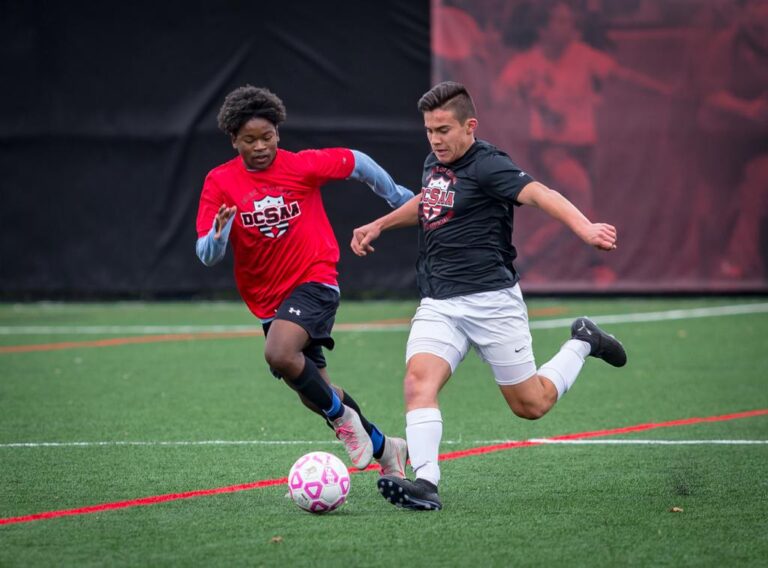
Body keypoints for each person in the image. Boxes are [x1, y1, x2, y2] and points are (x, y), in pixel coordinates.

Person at [351, 81, 627, 510]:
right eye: (429, 130)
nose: (435, 139)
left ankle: (583, 341)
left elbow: (541, 194)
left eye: (443, 129)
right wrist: (380, 225)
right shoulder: (434, 163)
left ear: (470, 126)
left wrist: (585, 227)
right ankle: (426, 483)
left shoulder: (490, 164)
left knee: (531, 405)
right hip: (439, 301)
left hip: (492, 302)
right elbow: (429, 201)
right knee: (417, 382)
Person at [195, 85, 413, 476]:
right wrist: (219, 234)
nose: (260, 146)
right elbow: (206, 255)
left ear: (278, 133)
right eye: (249, 140)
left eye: (267, 137)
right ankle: (386, 448)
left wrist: (396, 196)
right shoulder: (219, 183)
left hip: (315, 280)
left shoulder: (300, 166)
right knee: (314, 393)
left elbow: (357, 162)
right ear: (233, 140)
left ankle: (344, 422)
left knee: (279, 354)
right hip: (267, 301)